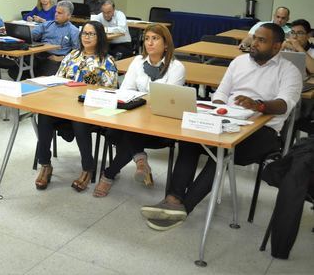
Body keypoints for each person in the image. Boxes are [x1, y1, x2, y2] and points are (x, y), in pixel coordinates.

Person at [141, 23, 302, 231]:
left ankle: (183, 207)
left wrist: (259, 105)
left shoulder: (289, 71)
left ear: (277, 46)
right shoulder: (239, 62)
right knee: (190, 140)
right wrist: (217, 109)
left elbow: (284, 104)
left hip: (263, 131)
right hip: (229, 120)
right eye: (254, 38)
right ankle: (173, 198)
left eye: (262, 41)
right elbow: (221, 94)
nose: (254, 44)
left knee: (222, 151)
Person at [93, 24, 185, 198]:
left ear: (166, 44)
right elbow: (126, 90)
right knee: (115, 130)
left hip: (160, 123)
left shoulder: (176, 67)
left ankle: (109, 174)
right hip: (135, 117)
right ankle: (140, 160)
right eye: (147, 38)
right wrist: (143, 99)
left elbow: (167, 100)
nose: (149, 43)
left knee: (125, 135)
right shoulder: (137, 62)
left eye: (155, 39)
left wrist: (142, 98)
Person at [35, 21, 119, 191]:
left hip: (90, 110)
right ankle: (45, 164)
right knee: (43, 116)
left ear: (99, 37)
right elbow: (58, 81)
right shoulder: (72, 55)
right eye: (84, 34)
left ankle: (88, 168)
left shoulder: (107, 61)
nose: (86, 37)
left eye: (91, 34)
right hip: (64, 106)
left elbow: (110, 92)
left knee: (80, 122)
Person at [27, 0, 80, 77]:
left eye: (60, 13)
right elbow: (31, 35)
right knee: (17, 69)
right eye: (56, 12)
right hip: (40, 54)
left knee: (44, 77)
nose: (56, 15)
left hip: (56, 58)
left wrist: (61, 58)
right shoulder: (47, 24)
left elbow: (77, 53)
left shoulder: (73, 31)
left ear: (68, 16)